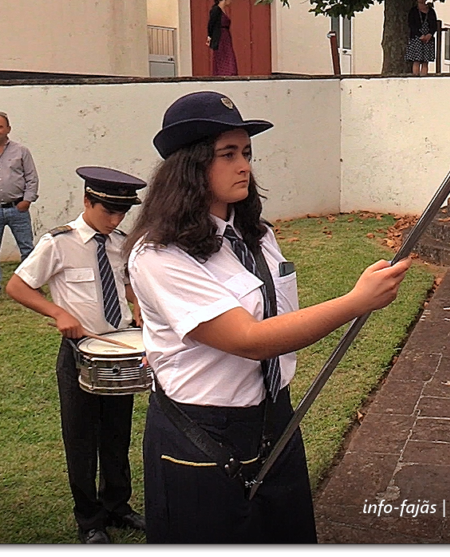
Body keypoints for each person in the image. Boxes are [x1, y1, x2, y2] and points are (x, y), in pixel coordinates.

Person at [125, 90, 411, 543]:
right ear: (191, 166)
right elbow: (248, 339)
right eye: (228, 154)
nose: (245, 166)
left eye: (247, 153)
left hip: (276, 417)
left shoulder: (255, 236)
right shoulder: (160, 255)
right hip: (203, 431)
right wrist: (355, 302)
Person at [5, 167, 148, 544]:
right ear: (87, 201)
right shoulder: (58, 243)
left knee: (117, 435)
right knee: (82, 439)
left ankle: (117, 505)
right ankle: (90, 519)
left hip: (118, 353)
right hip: (79, 355)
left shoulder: (120, 241)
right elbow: (17, 286)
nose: (115, 220)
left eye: (122, 213)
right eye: (108, 212)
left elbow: (127, 284)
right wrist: (58, 312)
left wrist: (137, 308)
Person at [0, 111, 39, 279]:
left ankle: (29, 284)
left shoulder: (21, 151)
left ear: (8, 129)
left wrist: (27, 201)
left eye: (0, 126)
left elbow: (32, 177)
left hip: (17, 209)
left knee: (27, 249)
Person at [406, 0, 438, 76]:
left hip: (428, 38)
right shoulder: (413, 11)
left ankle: (424, 77)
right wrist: (420, 35)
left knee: (425, 61)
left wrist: (430, 34)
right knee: (416, 60)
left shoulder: (431, 11)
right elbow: (411, 24)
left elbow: (434, 25)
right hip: (416, 38)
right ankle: (415, 77)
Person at [207, 0, 239, 76]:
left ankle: (229, 72)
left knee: (228, 54)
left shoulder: (222, 10)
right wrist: (210, 36)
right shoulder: (216, 10)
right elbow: (211, 23)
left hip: (225, 35)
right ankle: (223, 72)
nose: (230, 1)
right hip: (220, 36)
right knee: (222, 54)